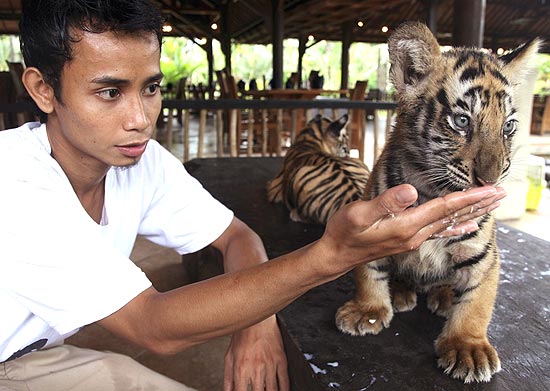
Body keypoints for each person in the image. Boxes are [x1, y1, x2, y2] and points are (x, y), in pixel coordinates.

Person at [0, 1, 506, 390]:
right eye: (110, 92)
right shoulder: (15, 183)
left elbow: (236, 236)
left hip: (36, 354)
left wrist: (258, 323)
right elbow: (155, 326)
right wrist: (332, 254)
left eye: (150, 88)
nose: (140, 118)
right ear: (43, 90)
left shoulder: (140, 161)